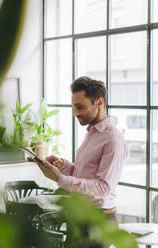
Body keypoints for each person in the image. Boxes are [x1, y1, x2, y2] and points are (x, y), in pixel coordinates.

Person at [34, 76, 127, 220]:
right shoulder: (92, 134)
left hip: (99, 220)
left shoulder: (113, 139)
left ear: (99, 103)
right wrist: (62, 165)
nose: (75, 113)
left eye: (80, 107)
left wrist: (59, 178)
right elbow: (83, 174)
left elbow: (103, 188)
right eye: (73, 108)